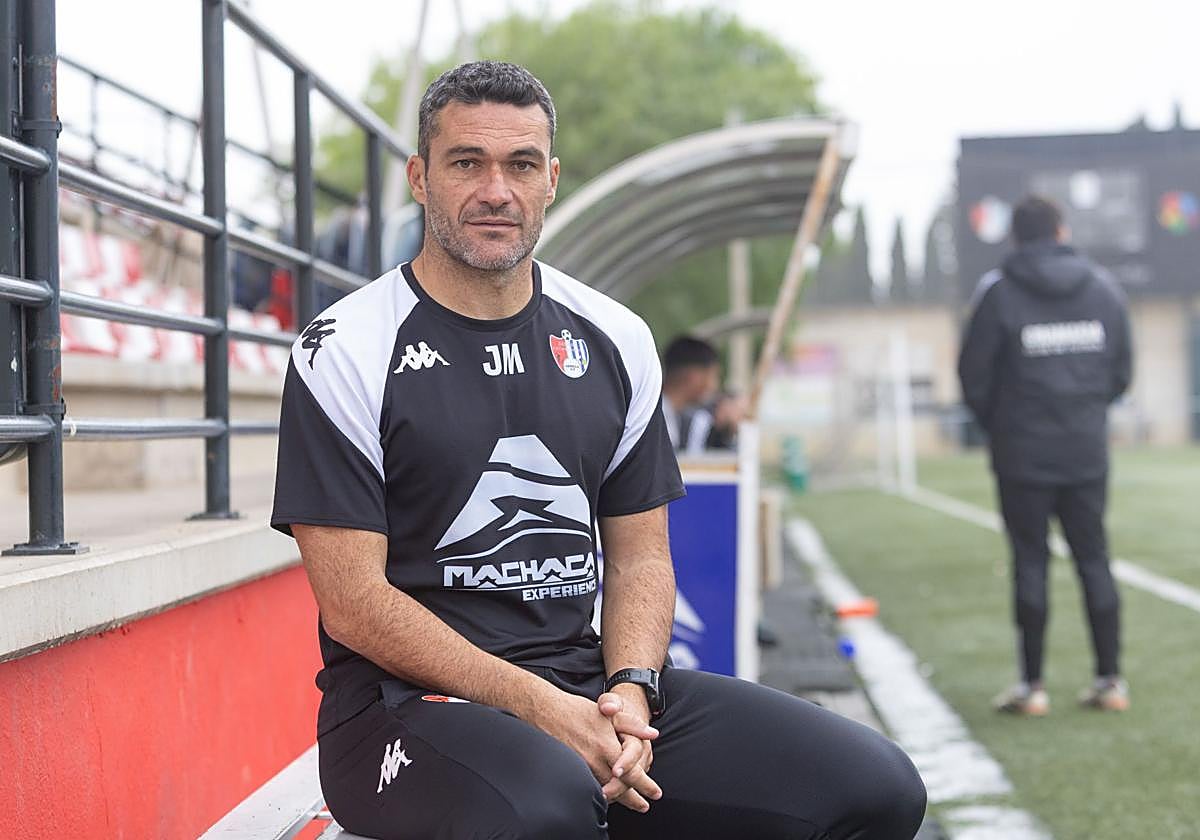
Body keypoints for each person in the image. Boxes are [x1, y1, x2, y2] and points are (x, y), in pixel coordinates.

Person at [272, 60, 925, 839]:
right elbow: (353, 603)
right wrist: (539, 706)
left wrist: (632, 690)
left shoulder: (615, 337)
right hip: (401, 711)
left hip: (585, 686)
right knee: (551, 804)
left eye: (521, 165)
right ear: (420, 178)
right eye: (466, 163)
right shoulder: (345, 348)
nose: (496, 191)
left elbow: (642, 558)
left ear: (550, 181)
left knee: (876, 789)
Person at [958, 195, 1133, 717]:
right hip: (1085, 451)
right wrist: (1085, 414)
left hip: (1021, 455)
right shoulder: (1104, 288)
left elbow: (973, 376)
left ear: (1016, 237)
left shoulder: (998, 292)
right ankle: (1110, 682)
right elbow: (1122, 372)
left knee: (1030, 562)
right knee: (1094, 559)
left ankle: (1032, 688)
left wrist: (1005, 426)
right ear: (1061, 232)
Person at [661, 336, 720, 455]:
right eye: (713, 376)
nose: (714, 386)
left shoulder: (669, 414)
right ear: (694, 376)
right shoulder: (659, 417)